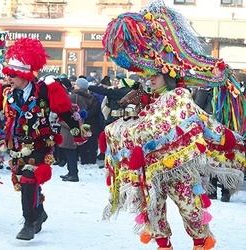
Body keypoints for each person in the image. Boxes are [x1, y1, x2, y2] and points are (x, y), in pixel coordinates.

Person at [101, 3, 246, 250]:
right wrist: (118, 126)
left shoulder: (177, 97)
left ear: (166, 75)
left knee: (191, 209)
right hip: (151, 170)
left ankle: (201, 243)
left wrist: (127, 129)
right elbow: (141, 126)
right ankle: (163, 246)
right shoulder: (148, 99)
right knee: (153, 213)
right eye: (147, 74)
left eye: (154, 74)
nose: (149, 78)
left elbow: (158, 127)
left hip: (177, 167)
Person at [0, 37, 88, 241]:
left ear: (25, 75)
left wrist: (77, 131)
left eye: (13, 75)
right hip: (16, 145)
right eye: (8, 74)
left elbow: (63, 111)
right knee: (24, 182)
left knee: (29, 178)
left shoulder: (45, 90)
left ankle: (28, 222)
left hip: (40, 144)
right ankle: (40, 213)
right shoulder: (3, 92)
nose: (9, 78)